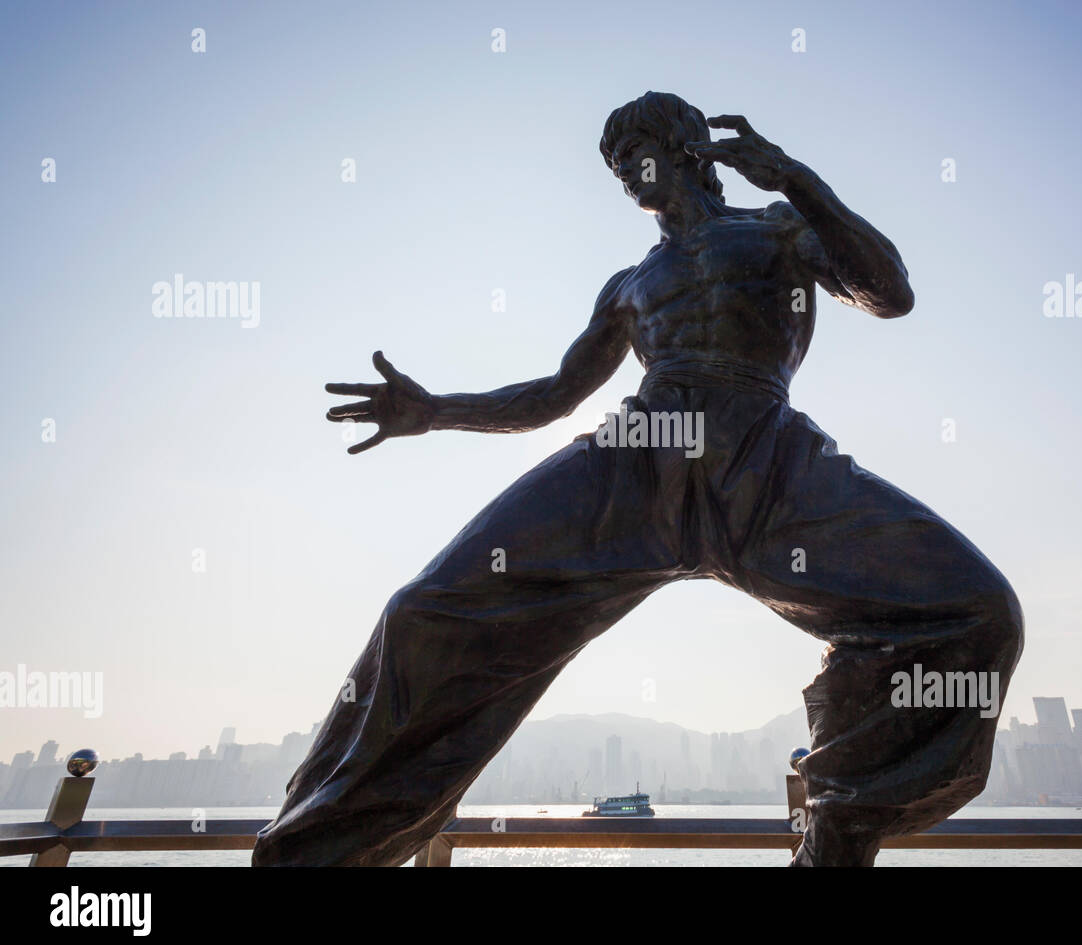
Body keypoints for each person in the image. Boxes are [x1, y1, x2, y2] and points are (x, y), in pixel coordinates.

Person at [251, 92, 1023, 867]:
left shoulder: (779, 229)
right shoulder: (630, 284)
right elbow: (552, 397)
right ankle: (315, 853)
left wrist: (796, 180)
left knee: (977, 611)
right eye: (613, 163)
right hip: (637, 463)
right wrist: (435, 410)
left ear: (686, 147)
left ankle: (841, 828)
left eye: (634, 152)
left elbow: (891, 293)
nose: (621, 172)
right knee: (425, 611)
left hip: (764, 463)